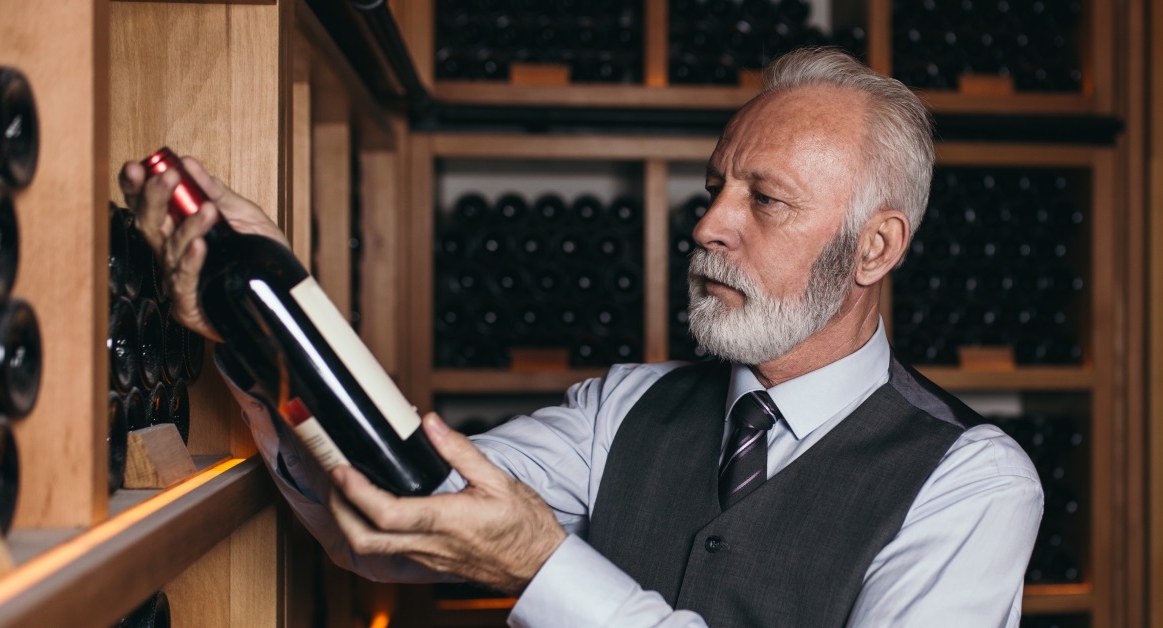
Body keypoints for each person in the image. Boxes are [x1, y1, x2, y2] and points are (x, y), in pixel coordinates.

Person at [121, 48, 1043, 627]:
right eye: (716, 186)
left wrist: (541, 567)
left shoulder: (971, 482)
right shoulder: (626, 406)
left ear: (877, 245)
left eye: (763, 200)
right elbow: (388, 516)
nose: (710, 224)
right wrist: (271, 311)